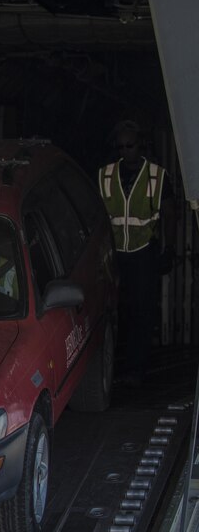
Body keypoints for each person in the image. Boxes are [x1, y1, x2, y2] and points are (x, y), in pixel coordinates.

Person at [98, 120, 174, 387]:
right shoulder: (105, 175)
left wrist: (168, 249)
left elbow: (168, 214)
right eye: (120, 146)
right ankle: (115, 366)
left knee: (141, 312)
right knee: (118, 310)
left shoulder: (156, 176)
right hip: (116, 254)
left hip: (143, 253)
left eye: (129, 145)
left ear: (140, 145)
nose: (124, 151)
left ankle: (136, 369)